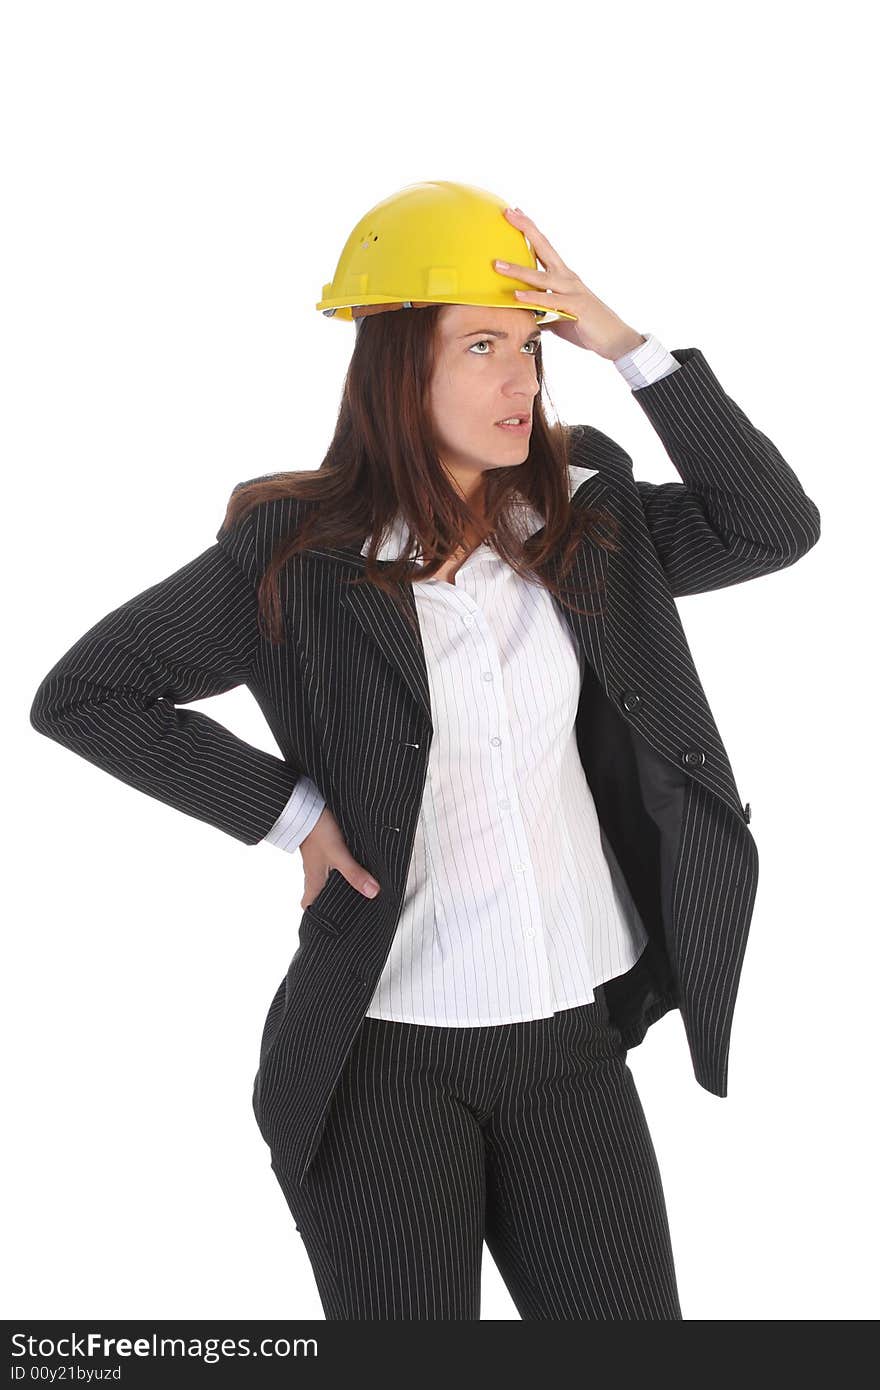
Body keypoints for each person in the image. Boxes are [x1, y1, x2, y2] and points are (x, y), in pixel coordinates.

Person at [30, 183, 821, 1320]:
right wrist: (291, 814)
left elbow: (770, 526)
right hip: (381, 1062)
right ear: (401, 370)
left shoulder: (591, 525)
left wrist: (621, 340)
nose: (524, 379)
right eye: (484, 346)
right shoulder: (295, 558)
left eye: (534, 346)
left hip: (571, 1046)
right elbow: (87, 693)